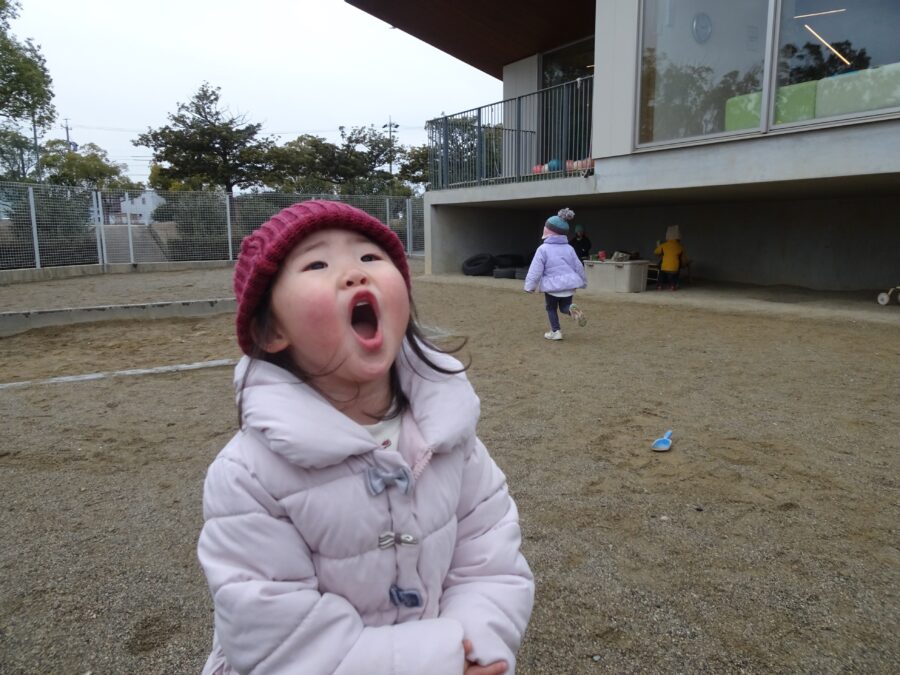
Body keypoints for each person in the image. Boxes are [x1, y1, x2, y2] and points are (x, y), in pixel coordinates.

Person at [197, 200, 534, 675]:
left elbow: (490, 557)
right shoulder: (248, 476)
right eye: (317, 264)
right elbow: (280, 639)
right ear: (270, 332)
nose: (355, 273)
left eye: (370, 257)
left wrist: (477, 645)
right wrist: (435, 663)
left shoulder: (448, 435)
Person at [523, 207, 588, 340]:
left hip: (552, 286)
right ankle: (572, 310)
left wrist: (530, 286)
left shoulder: (543, 249)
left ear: (548, 231)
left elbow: (535, 269)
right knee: (564, 307)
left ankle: (556, 331)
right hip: (568, 285)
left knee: (551, 308)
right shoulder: (569, 248)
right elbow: (578, 266)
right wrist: (583, 282)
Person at [654, 224, 686, 290]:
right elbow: (684, 259)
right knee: (675, 273)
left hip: (664, 268)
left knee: (661, 271)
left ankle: (659, 285)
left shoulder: (664, 245)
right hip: (674, 269)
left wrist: (659, 247)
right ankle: (673, 285)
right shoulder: (680, 246)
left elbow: (655, 252)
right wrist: (684, 264)